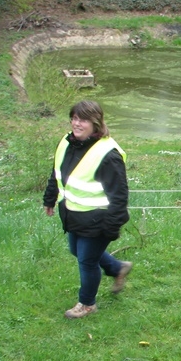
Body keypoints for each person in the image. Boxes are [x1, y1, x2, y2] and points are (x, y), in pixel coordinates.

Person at [43, 100, 133, 318]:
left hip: (98, 220)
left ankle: (87, 304)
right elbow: (57, 173)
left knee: (87, 260)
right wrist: (49, 198)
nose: (76, 123)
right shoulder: (67, 143)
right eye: (74, 118)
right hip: (73, 214)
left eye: (82, 119)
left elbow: (119, 196)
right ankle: (117, 268)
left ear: (95, 122)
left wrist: (111, 229)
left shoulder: (108, 155)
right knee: (76, 250)